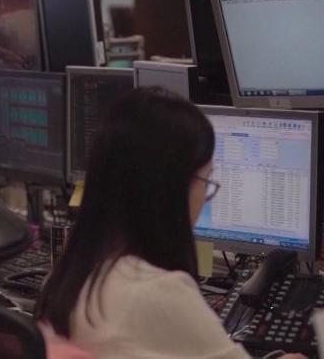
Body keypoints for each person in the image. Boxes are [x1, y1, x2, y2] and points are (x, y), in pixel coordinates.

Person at [35, 89, 305, 359]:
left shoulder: (65, 279)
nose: (205, 196)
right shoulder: (158, 293)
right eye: (206, 181)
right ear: (170, 189)